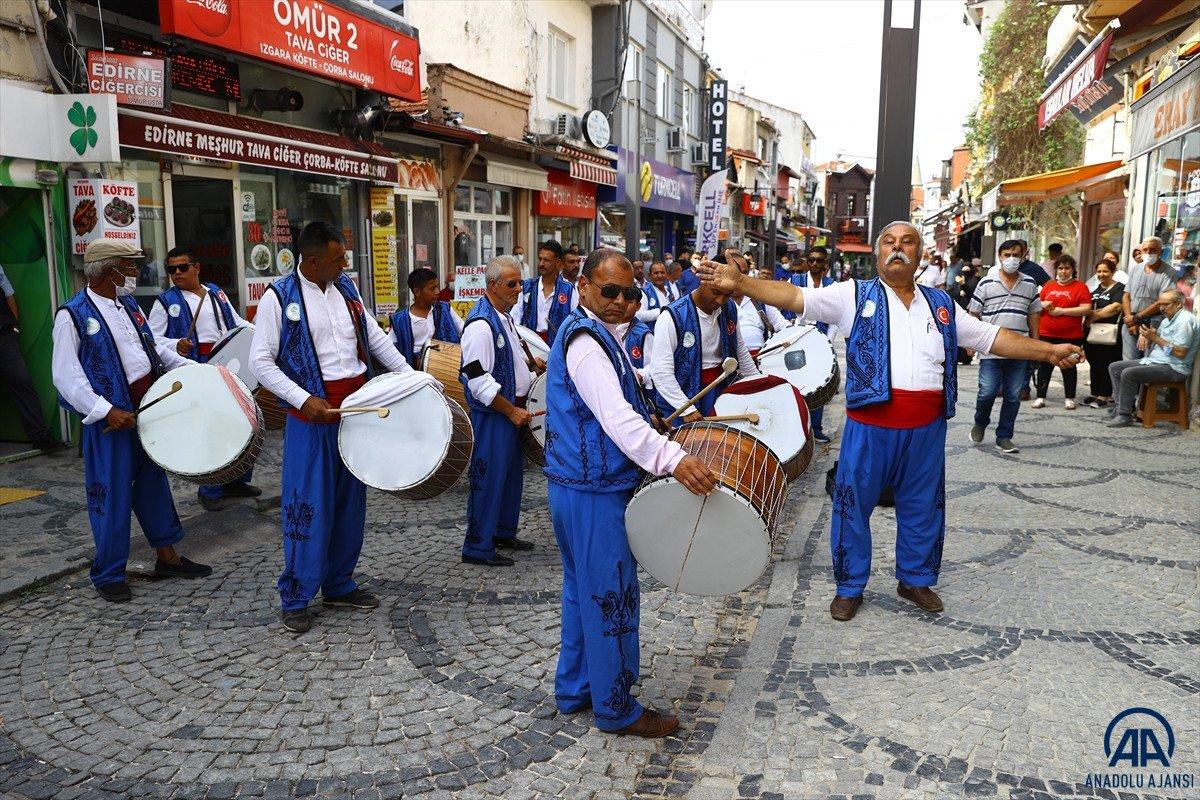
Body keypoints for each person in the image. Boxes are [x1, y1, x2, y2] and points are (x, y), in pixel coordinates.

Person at [695, 221, 1082, 621]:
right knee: (851, 505)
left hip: (926, 428)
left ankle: (915, 579)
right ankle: (849, 586)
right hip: (869, 427)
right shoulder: (852, 295)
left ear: (919, 254)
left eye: (907, 242)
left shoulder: (941, 304)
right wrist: (741, 283)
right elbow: (795, 296)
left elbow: (990, 338)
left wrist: (1048, 352)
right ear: (879, 253)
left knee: (923, 506)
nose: (898, 248)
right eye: (890, 242)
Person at [544, 249, 716, 737]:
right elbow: (615, 419)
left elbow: (621, 402)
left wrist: (651, 416)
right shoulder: (586, 342)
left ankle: (576, 687)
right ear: (583, 287)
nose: (621, 301)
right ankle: (616, 708)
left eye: (630, 293)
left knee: (583, 591)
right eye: (610, 291)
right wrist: (673, 459)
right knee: (611, 595)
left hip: (579, 486)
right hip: (593, 491)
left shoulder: (602, 335)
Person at [250, 222, 414, 633]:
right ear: (312, 260)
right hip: (312, 417)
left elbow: (375, 340)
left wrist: (412, 379)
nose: (345, 264)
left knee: (349, 503)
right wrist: (302, 398)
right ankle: (296, 595)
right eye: (338, 258)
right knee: (307, 505)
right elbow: (260, 362)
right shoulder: (277, 298)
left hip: (354, 412)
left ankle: (339, 583)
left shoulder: (347, 288)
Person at [52, 238, 211, 602]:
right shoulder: (72, 315)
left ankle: (167, 557)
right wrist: (106, 410)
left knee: (153, 484)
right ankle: (108, 572)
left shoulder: (128, 305)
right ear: (109, 271)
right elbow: (66, 376)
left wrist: (198, 370)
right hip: (111, 420)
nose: (136, 273)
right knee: (111, 493)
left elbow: (153, 349)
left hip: (145, 410)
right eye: (129, 266)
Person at [148, 246, 259, 510]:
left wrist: (261, 333)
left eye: (182, 267)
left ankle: (236, 480)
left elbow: (236, 323)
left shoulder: (215, 293)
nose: (177, 273)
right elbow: (152, 340)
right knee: (211, 426)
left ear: (196, 268)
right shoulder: (165, 302)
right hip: (196, 367)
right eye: (171, 269)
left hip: (228, 363)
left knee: (243, 419)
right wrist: (175, 344)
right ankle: (210, 489)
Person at [460, 255, 541, 567]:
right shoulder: (481, 326)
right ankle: (477, 546)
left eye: (520, 282)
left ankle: (503, 532)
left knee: (509, 478)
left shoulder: (503, 316)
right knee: (489, 479)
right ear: (492, 285)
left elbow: (509, 361)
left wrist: (532, 369)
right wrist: (510, 411)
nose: (519, 288)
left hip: (509, 411)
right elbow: (477, 380)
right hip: (495, 414)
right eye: (512, 283)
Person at [649, 255, 760, 425]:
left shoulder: (729, 307)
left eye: (727, 295)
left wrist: (759, 384)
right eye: (716, 292)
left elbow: (740, 350)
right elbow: (660, 371)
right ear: (702, 279)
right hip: (680, 398)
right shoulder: (672, 316)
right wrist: (685, 408)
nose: (720, 301)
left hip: (720, 392)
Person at [969, 239, 1044, 453]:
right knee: (987, 392)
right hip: (991, 347)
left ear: (1023, 257)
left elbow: (1034, 314)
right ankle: (980, 422)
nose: (1011, 259)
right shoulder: (986, 283)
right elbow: (973, 313)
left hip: (1020, 349)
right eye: (1007, 255)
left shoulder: (1029, 283)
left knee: (1013, 395)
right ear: (1000, 257)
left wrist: (1036, 344)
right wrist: (970, 341)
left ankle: (1004, 437)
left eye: (1016, 255)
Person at [1106, 289, 1198, 428]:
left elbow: (1180, 353)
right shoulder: (1168, 319)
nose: (1161, 308)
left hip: (1174, 367)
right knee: (1115, 367)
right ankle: (1122, 407)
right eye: (1160, 304)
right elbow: (1159, 342)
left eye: (1166, 304)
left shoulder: (1185, 321)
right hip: (1157, 361)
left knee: (1129, 373)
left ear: (1179, 303)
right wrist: (1148, 337)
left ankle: (1125, 416)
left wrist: (1155, 338)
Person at [0, 263, 56, 451]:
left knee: (22, 383)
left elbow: (9, 295)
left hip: (4, 337)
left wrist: (14, 327)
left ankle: (41, 437)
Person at [1032, 254, 1091, 410]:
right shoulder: (1048, 287)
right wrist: (1043, 304)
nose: (1063, 271)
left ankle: (1069, 398)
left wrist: (1062, 311)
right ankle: (1040, 397)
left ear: (1072, 269)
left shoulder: (1081, 287)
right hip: (1046, 333)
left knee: (1069, 366)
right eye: (1060, 268)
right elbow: (1036, 305)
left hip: (1071, 336)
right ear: (1056, 269)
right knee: (1044, 367)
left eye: (1067, 268)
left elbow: (1086, 308)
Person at [390, 267, 463, 368]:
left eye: (437, 287)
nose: (437, 291)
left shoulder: (446, 309)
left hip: (448, 367)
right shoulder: (400, 320)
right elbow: (389, 350)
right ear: (417, 292)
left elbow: (464, 332)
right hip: (415, 373)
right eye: (432, 289)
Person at [1121, 237, 1175, 361]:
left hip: (1154, 323)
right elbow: (1126, 296)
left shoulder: (1168, 272)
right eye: (1145, 250)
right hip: (1132, 321)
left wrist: (1137, 317)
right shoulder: (1136, 269)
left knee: (1148, 361)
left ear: (1160, 252)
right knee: (1128, 361)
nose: (1148, 253)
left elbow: (1162, 301)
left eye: (1152, 250)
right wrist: (1130, 319)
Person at [515, 240, 578, 345]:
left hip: (557, 346)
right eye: (540, 259)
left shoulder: (568, 290)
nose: (541, 264)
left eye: (546, 260)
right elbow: (516, 317)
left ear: (558, 263)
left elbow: (575, 321)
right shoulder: (527, 286)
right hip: (531, 345)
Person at [1081, 259, 1125, 408]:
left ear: (1113, 271)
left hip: (1109, 332)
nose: (1101, 274)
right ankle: (1094, 393)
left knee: (1107, 363)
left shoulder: (1119, 288)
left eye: (1105, 271)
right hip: (1092, 333)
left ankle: (1104, 395)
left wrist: (1095, 315)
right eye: (1099, 271)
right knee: (1094, 362)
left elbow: (1116, 307)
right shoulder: (1095, 290)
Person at [730, 250, 787, 357]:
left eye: (743, 274)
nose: (739, 278)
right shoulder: (717, 302)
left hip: (761, 358)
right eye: (734, 273)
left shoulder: (759, 300)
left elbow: (783, 326)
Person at [948, 260, 981, 365]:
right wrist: (959, 291)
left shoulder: (975, 280)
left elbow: (973, 291)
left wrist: (964, 285)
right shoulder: (957, 279)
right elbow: (951, 291)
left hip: (969, 310)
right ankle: (958, 355)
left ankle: (968, 356)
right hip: (959, 309)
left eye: (967, 271)